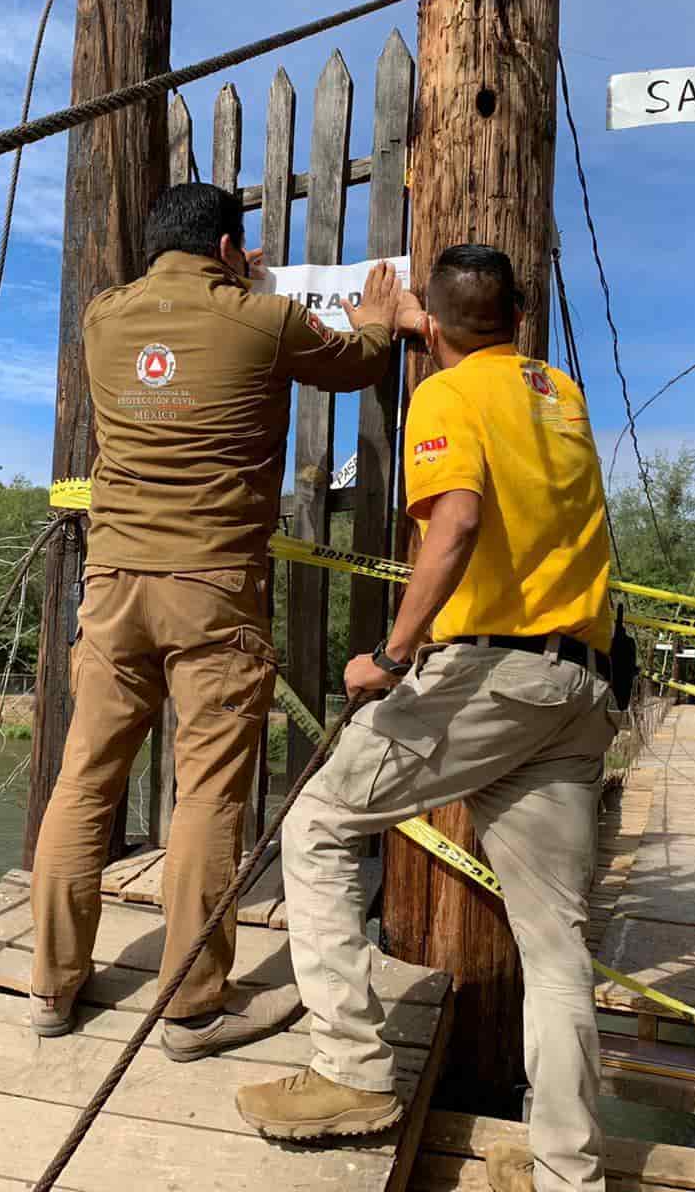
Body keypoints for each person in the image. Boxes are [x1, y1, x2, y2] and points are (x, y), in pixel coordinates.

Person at [235, 244, 620, 1192]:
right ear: (518, 321)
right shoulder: (557, 392)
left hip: (485, 672)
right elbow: (491, 371)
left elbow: (452, 524)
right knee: (556, 944)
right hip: (579, 686)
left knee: (319, 823)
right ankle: (571, 1174)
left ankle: (353, 1074)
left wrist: (393, 654)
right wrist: (427, 325)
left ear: (440, 329)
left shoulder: (444, 399)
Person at [28, 181, 411, 1063]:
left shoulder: (102, 318)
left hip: (114, 585)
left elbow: (178, 327)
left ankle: (52, 987)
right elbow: (357, 360)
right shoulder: (263, 319)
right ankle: (193, 1008)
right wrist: (381, 316)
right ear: (233, 246)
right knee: (207, 793)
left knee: (85, 781)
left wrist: (232, 281)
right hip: (212, 590)